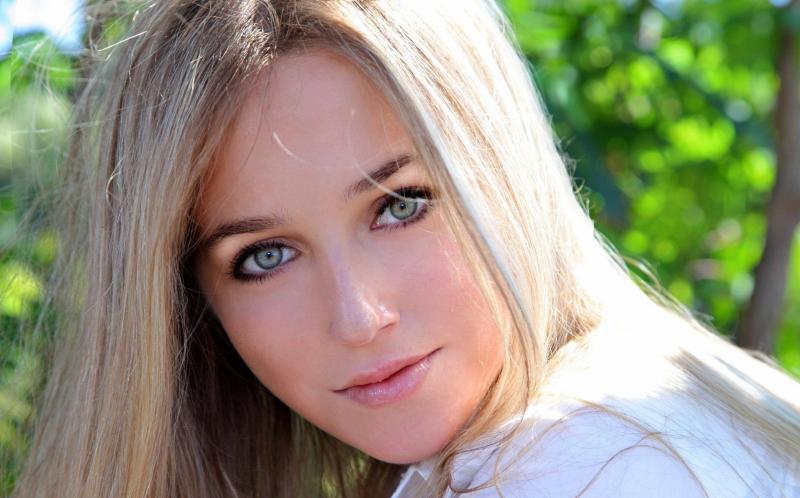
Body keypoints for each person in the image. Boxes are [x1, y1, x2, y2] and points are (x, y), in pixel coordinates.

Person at [14, 0, 800, 497]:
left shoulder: (580, 467)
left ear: (504, 167)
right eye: (265, 256)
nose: (359, 318)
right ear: (191, 311)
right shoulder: (662, 403)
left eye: (400, 205)